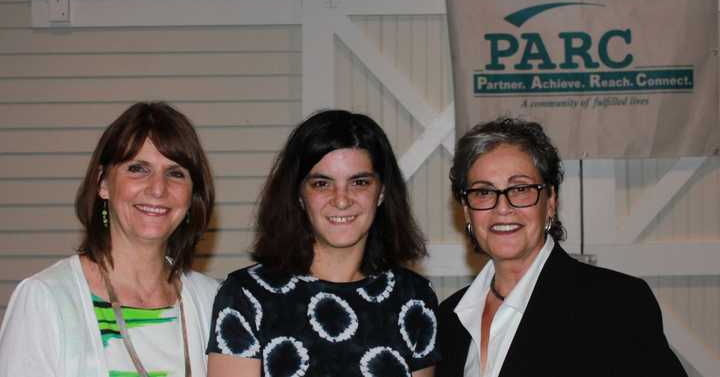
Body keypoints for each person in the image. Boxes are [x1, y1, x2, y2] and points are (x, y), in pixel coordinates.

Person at [436, 118, 687, 377]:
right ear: (467, 211)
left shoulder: (615, 304)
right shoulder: (448, 318)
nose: (502, 208)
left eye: (520, 188)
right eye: (484, 192)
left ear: (551, 200)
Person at [207, 109, 440, 377]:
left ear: (382, 192)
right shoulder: (245, 296)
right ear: (298, 195)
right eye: (321, 184)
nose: (341, 200)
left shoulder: (415, 297)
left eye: (359, 182)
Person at [0, 102, 219, 377]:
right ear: (103, 183)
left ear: (193, 195)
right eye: (138, 168)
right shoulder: (45, 299)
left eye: (175, 173)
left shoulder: (213, 302)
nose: (158, 188)